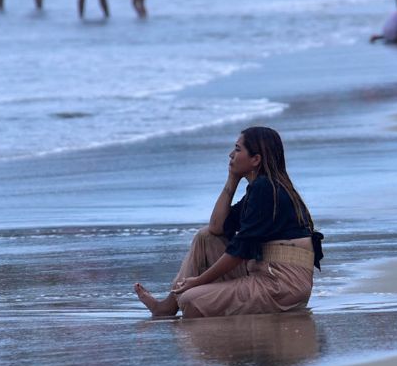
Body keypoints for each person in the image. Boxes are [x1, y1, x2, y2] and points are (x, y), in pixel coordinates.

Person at [134, 126, 324, 319]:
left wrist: (198, 281)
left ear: (256, 159)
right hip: (267, 272)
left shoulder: (266, 189)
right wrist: (232, 179)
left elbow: (240, 251)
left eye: (238, 149)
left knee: (190, 300)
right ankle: (167, 306)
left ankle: (176, 302)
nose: (231, 155)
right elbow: (217, 227)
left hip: (282, 286)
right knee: (205, 237)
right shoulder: (261, 188)